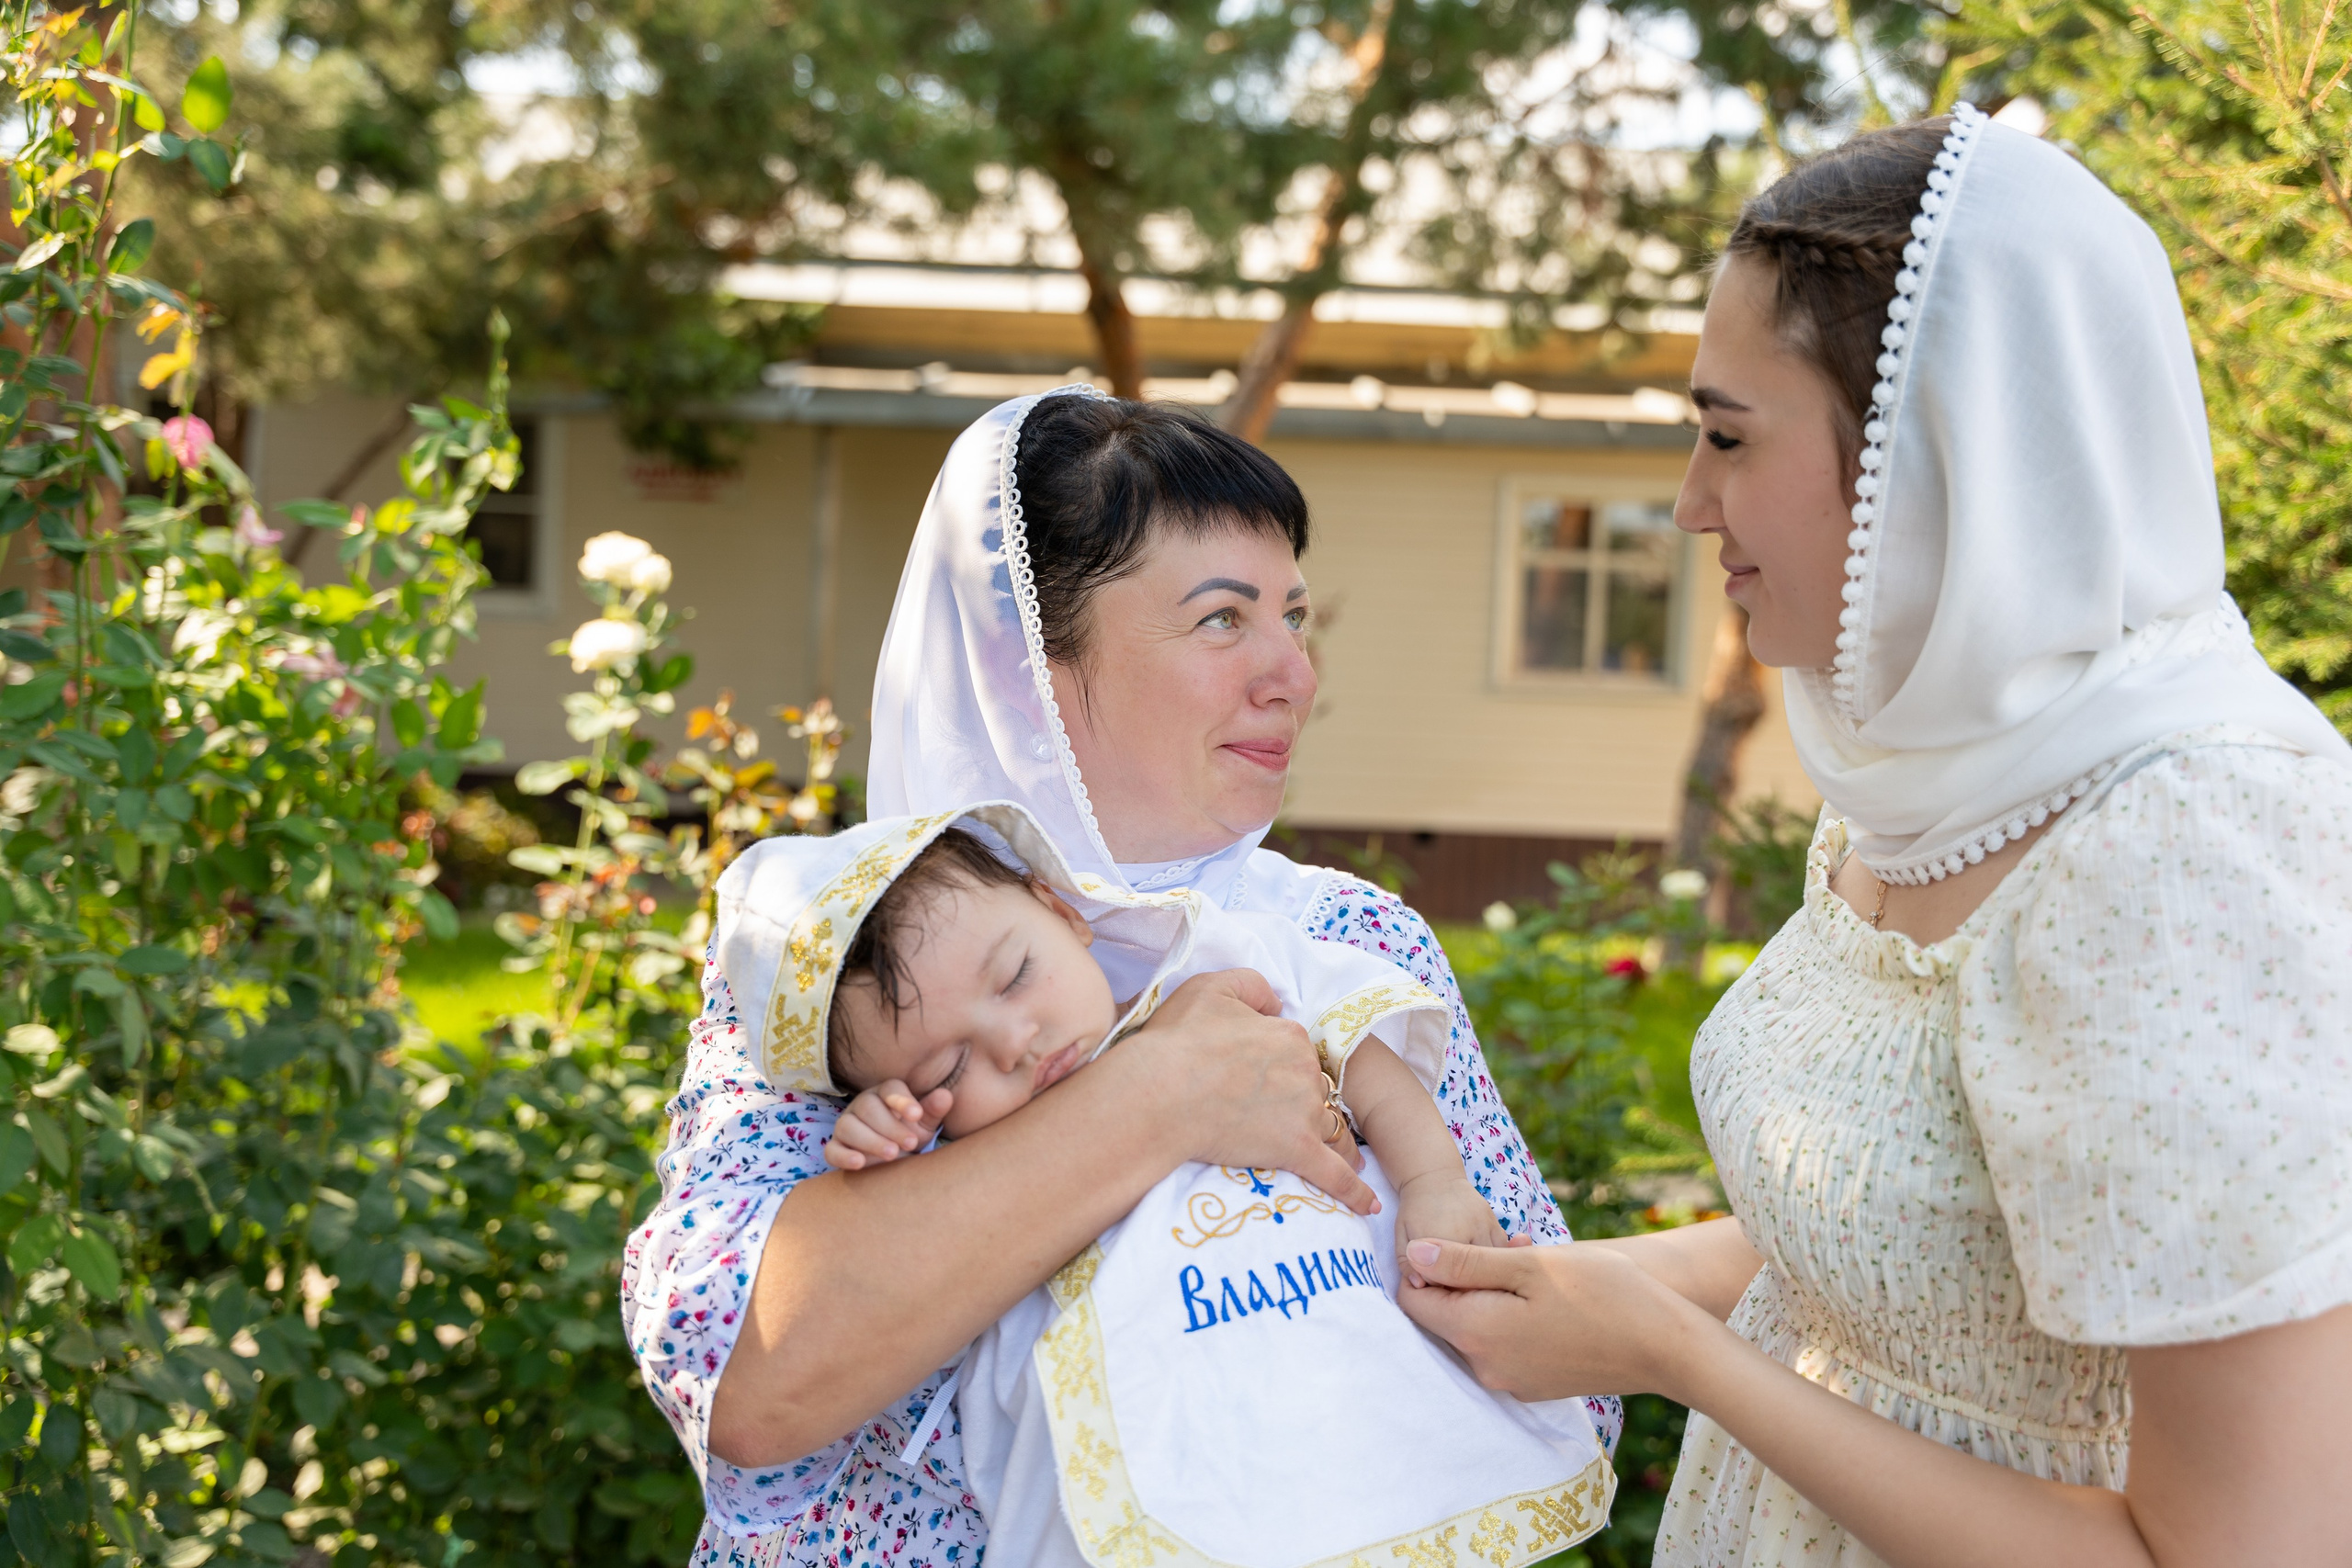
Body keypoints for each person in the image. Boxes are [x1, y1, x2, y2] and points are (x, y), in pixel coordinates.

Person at [1396, 104, 2352, 1567]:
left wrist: (1682, 1356)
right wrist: (1533, 1287)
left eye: (1726, 435)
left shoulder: (2180, 850)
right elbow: (1896, 1253)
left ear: (1934, 448)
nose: (1689, 504)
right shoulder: (1918, 777)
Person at [621, 392, 1612, 1565]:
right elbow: (751, 1378)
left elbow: (1549, 1361)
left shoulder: (1348, 935)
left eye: (1291, 616)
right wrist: (1161, 1095)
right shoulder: (846, 958)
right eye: (1221, 620)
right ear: (1023, 666)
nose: (1292, 671)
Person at [712, 804, 1608, 1568]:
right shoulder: (967, 1147)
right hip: (1128, 1454)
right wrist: (885, 1142)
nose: (1015, 1041)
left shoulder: (1217, 969)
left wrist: (1434, 1181)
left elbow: (1368, 1059)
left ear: (1060, 910)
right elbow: (898, 1257)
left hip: (1317, 1368)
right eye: (949, 1061)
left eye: (1016, 975)